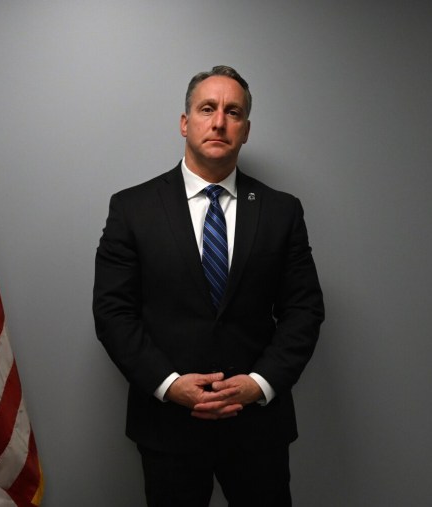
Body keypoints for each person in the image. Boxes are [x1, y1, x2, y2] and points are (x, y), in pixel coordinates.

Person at [92, 65, 324, 506]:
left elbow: (304, 311)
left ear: (246, 130)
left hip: (258, 426)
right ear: (185, 122)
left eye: (233, 112)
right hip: (167, 426)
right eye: (207, 109)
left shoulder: (282, 211)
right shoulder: (132, 209)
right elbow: (113, 313)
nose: (219, 122)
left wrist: (260, 383)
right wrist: (167, 384)